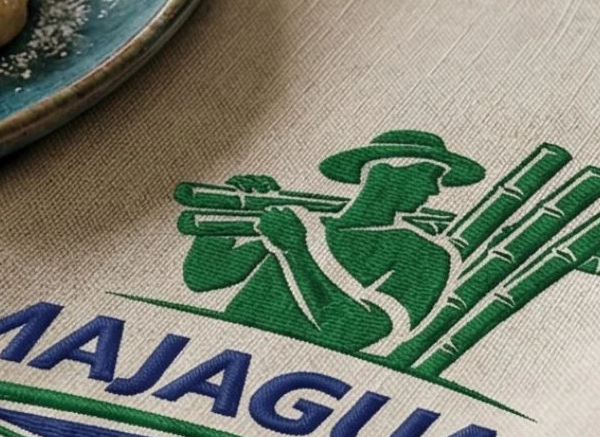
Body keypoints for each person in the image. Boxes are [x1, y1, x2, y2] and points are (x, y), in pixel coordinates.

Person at [182, 130, 484, 356]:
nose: (435, 190)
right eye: (431, 175)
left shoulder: (425, 255)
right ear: (389, 171)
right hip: (217, 355)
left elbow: (351, 332)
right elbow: (204, 277)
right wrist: (226, 216)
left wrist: (296, 252)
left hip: (303, 379)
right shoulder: (306, 223)